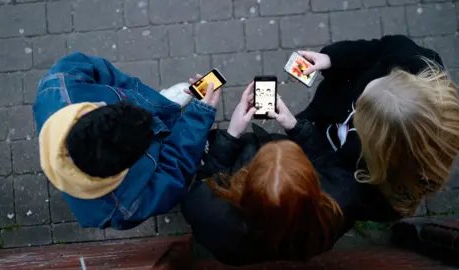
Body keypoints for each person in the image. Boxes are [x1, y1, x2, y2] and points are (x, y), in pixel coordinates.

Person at [181, 82, 370, 265]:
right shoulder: (340, 204)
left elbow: (205, 179)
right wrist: (294, 125)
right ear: (311, 177)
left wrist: (231, 135)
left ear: (247, 178)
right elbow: (327, 161)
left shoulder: (211, 215)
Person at [33, 53, 221, 230]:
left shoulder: (60, 83)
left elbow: (106, 73)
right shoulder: (124, 208)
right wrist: (198, 117)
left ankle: (161, 104)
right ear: (127, 166)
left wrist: (150, 101)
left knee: (155, 109)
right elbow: (174, 172)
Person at [296, 35, 459, 218]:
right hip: (321, 120)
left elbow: (333, 172)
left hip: (319, 149)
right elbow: (377, 48)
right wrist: (332, 58)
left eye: (361, 114)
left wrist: (298, 131)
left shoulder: (373, 187)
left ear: (382, 148)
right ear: (397, 75)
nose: (355, 105)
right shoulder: (412, 60)